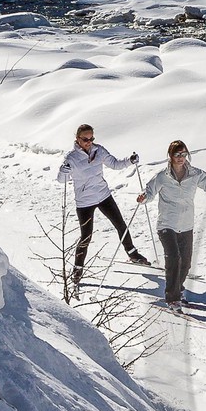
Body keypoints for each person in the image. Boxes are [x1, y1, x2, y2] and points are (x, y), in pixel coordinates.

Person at [56, 123, 150, 288]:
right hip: (85, 201)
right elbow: (62, 180)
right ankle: (77, 269)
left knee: (121, 224)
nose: (89, 142)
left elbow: (115, 164)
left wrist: (130, 160)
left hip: (103, 195)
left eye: (91, 138)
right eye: (85, 139)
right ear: (77, 139)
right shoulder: (71, 158)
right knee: (86, 236)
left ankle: (132, 253)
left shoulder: (99, 151)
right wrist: (63, 171)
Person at [136, 140, 206, 306]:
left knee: (186, 262)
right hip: (166, 224)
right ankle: (172, 297)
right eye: (177, 154)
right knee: (174, 259)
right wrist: (143, 197)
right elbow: (150, 191)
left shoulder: (195, 174)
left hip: (186, 225)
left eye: (183, 154)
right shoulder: (163, 176)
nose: (181, 158)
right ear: (170, 156)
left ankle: (179, 289)